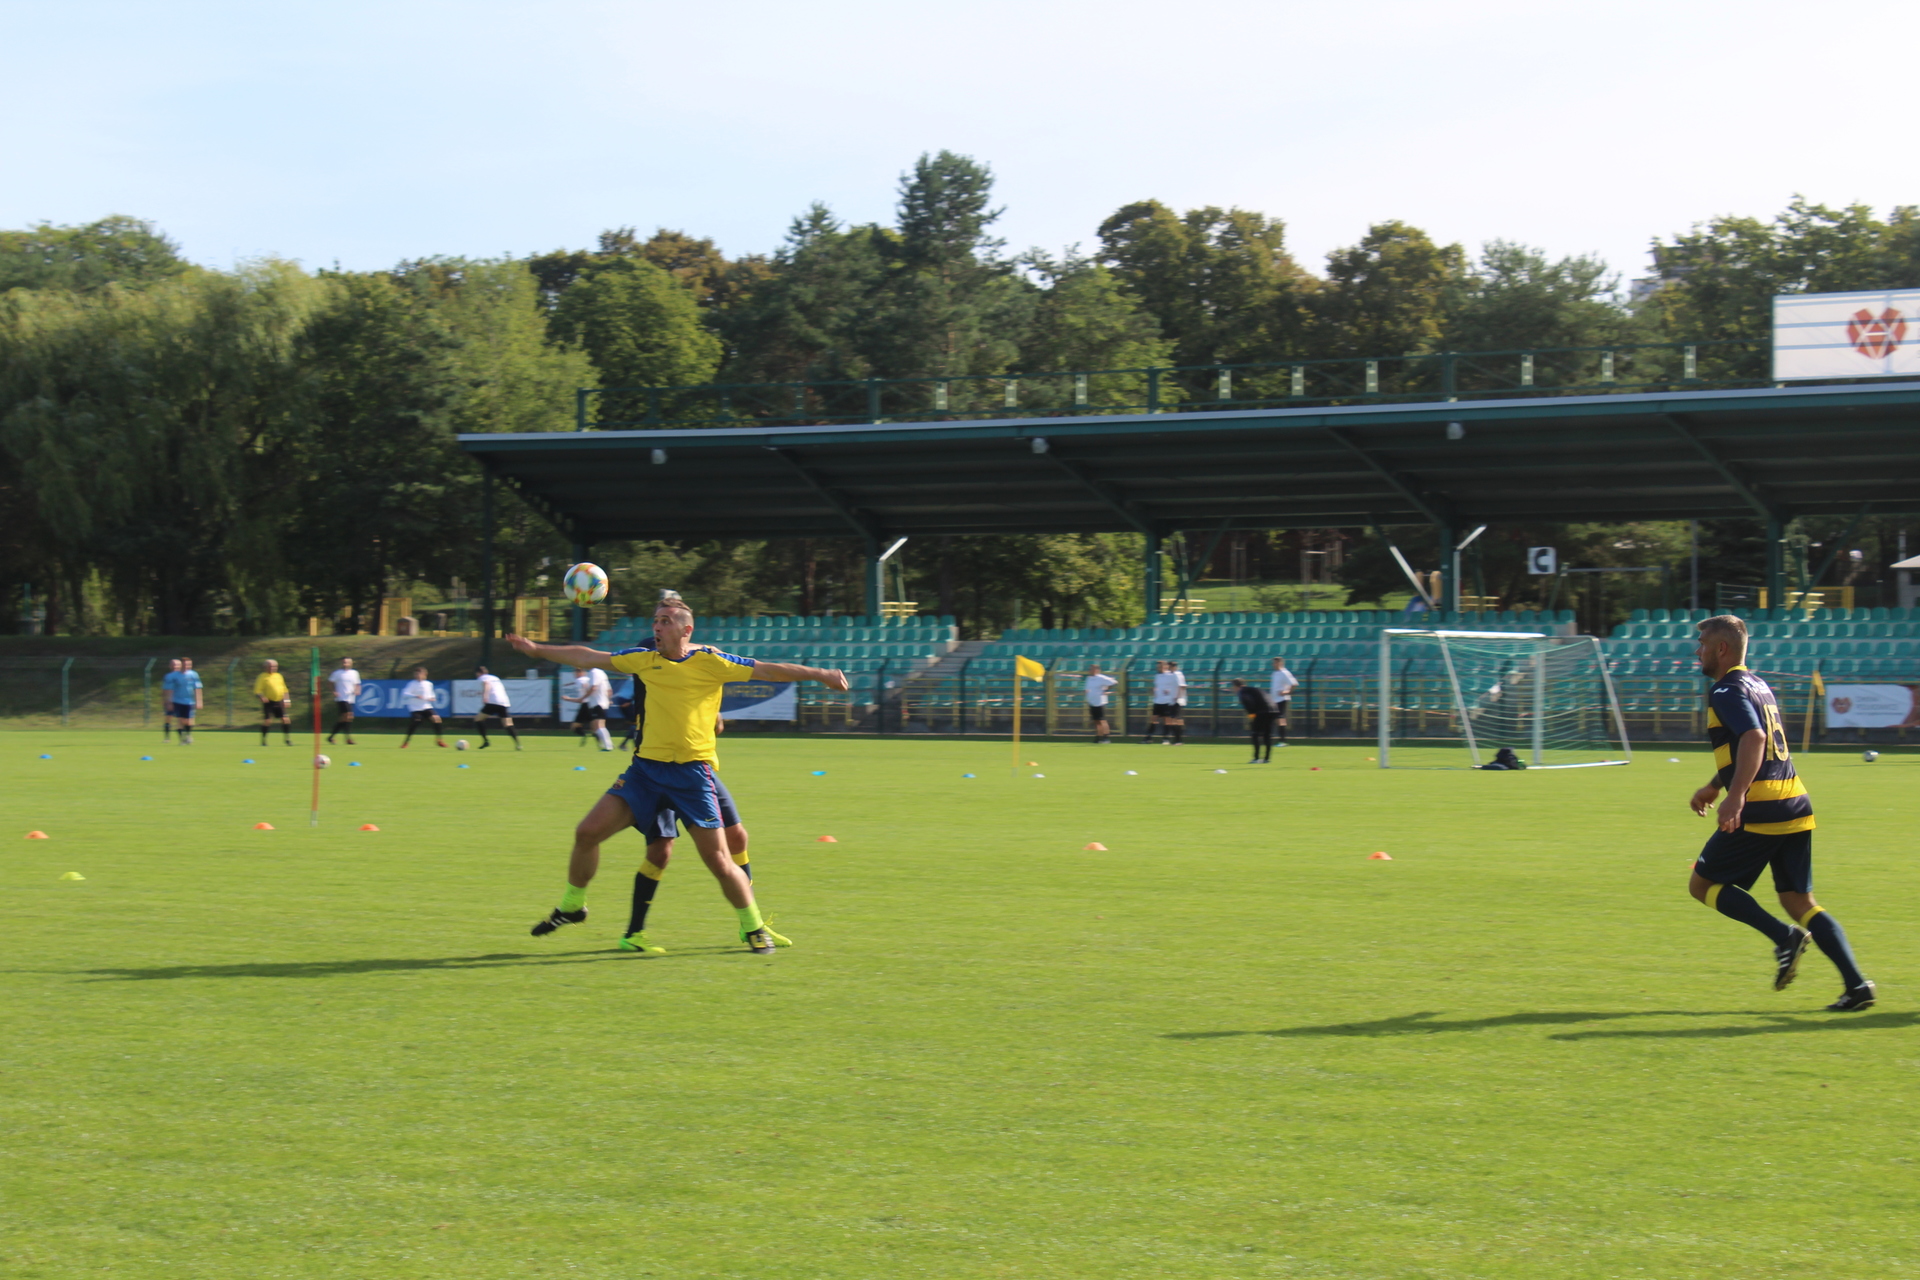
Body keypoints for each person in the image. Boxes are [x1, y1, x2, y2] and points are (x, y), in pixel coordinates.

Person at [515, 601, 848, 954]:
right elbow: (588, 657)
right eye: (655, 621)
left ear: (686, 630)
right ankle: (573, 905)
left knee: (719, 860)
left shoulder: (711, 661)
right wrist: (537, 649)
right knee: (586, 833)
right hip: (644, 771)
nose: (657, 628)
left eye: (666, 622)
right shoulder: (644, 659)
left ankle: (753, 928)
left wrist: (820, 674)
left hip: (692, 775)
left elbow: (769, 670)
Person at [1685, 614, 1875, 1011]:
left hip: (1762, 806)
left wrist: (1735, 797)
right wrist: (1715, 785)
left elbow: (1754, 739)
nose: (1697, 650)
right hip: (1795, 802)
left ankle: (1783, 937)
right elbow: (1755, 747)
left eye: (1702, 643)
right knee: (1799, 901)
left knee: (1702, 885)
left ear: (1722, 649)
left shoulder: (1724, 690)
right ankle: (1857, 986)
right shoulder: (1758, 684)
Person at [564, 665, 616, 751]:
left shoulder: (594, 672)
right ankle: (607, 745)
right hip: (601, 702)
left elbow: (593, 688)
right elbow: (609, 690)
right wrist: (609, 700)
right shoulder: (601, 672)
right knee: (597, 726)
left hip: (597, 703)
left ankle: (608, 746)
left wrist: (583, 697)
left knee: (599, 726)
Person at [473, 665, 521, 750]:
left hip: (493, 701)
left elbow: (486, 684)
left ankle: (485, 741)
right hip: (503, 702)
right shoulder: (495, 677)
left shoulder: (482, 677)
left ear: (478, 673)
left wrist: (485, 696)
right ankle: (518, 744)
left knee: (478, 719)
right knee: (508, 724)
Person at [399, 667, 446, 748]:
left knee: (436, 719)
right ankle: (406, 741)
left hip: (426, 706)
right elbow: (404, 694)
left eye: (419, 674)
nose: (417, 676)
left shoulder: (429, 684)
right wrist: (415, 696)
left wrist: (432, 698)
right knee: (416, 721)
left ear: (424, 675)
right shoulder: (412, 684)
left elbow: (431, 695)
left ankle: (439, 740)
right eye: (416, 674)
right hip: (415, 708)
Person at [1232, 678, 1277, 763]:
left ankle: (1256, 758)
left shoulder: (1242, 692)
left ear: (1235, 686)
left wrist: (1252, 716)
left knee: (1255, 734)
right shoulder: (1252, 689)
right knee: (1267, 734)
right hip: (1273, 709)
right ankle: (1266, 759)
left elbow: (1249, 703)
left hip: (1262, 711)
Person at [1143, 660, 1187, 744]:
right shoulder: (1158, 676)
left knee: (1171, 720)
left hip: (1170, 700)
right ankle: (1149, 737)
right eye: (1158, 667)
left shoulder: (1174, 675)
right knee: (1155, 718)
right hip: (1159, 700)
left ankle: (1169, 739)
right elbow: (1157, 686)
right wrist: (1155, 691)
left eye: (1160, 666)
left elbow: (1180, 686)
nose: (1159, 668)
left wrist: (1176, 696)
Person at [163, 657, 203, 745]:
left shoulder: (193, 674)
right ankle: (182, 739)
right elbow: (170, 689)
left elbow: (198, 688)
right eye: (184, 664)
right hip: (177, 701)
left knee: (188, 721)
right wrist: (169, 702)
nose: (186, 666)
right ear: (181, 665)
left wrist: (199, 701)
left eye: (188, 664)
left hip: (189, 701)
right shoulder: (174, 676)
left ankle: (188, 735)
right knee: (180, 720)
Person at [253, 659, 294, 746]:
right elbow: (257, 690)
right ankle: (264, 740)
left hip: (279, 701)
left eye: (274, 666)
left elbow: (285, 690)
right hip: (269, 702)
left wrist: (286, 700)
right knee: (267, 721)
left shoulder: (279, 676)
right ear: (265, 667)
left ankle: (287, 739)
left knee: (285, 720)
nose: (273, 668)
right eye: (270, 666)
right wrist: (262, 697)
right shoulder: (262, 677)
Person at [327, 658, 361, 745]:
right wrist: (334, 691)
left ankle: (331, 736)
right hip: (341, 698)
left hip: (350, 698)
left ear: (351, 663)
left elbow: (357, 684)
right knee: (348, 715)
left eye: (347, 662)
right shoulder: (337, 673)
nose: (345, 664)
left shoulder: (354, 673)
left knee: (346, 718)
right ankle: (348, 738)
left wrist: (357, 690)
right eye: (344, 662)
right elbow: (330, 683)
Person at [1267, 656, 1300, 748]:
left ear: (1280, 663)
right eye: (1273, 663)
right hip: (1274, 700)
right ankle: (1273, 738)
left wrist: (1286, 692)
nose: (1273, 664)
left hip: (1281, 699)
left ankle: (1282, 740)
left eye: (1275, 663)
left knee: (1280, 719)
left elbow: (1294, 684)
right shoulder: (1274, 673)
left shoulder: (1284, 673)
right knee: (1274, 719)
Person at [1084, 663, 1118, 744]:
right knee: (1096, 720)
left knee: (1102, 720)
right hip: (1092, 702)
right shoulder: (1089, 678)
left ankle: (1106, 737)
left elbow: (1114, 682)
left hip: (1099, 702)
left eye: (1091, 669)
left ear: (1096, 670)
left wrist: (1106, 690)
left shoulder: (1101, 678)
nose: (1090, 670)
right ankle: (1099, 736)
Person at [160, 658, 183, 740]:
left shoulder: (184, 675)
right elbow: (164, 689)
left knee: (181, 720)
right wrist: (165, 700)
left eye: (177, 665)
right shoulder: (168, 676)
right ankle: (167, 738)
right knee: (168, 718)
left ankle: (182, 738)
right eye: (173, 664)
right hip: (170, 700)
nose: (175, 666)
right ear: (170, 666)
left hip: (181, 701)